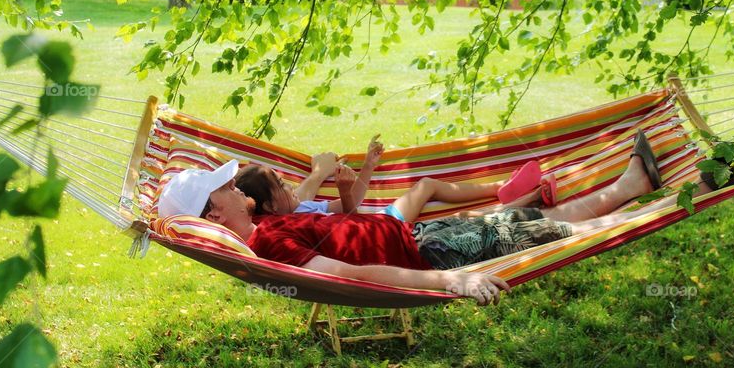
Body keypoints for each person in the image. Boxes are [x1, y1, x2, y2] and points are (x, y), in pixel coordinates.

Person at [157, 131, 717, 305]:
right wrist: (451, 279)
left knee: (540, 225)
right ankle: (676, 194)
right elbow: (350, 276)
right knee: (559, 232)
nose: (233, 188)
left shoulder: (266, 228)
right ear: (214, 212)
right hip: (433, 256)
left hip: (417, 235)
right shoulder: (270, 247)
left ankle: (634, 186)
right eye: (222, 189)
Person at [235, 135, 551, 223]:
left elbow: (350, 202)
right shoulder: (294, 219)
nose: (289, 185)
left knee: (431, 192)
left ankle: (502, 191)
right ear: (269, 206)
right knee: (444, 207)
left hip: (379, 223)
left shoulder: (296, 208)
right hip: (386, 227)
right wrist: (343, 191)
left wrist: (368, 166)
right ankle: (515, 198)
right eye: (280, 185)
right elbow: (348, 213)